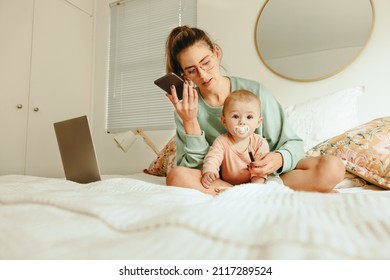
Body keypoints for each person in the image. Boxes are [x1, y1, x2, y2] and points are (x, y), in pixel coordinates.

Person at [164, 25, 345, 195]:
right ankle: (246, 195)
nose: (203, 74)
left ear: (216, 53)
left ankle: (251, 192)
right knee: (176, 176)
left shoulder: (256, 92)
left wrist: (278, 158)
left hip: (267, 178)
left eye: (206, 62)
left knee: (333, 167)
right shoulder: (185, 110)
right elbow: (193, 170)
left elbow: (294, 144)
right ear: (183, 75)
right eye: (192, 70)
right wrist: (190, 121)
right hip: (219, 181)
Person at [201, 89, 269, 190]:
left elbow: (261, 170)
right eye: (235, 116)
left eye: (249, 117)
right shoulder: (221, 141)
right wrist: (210, 171)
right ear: (224, 121)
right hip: (226, 184)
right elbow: (213, 158)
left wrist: (255, 187)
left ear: (258, 122)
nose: (242, 122)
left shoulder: (260, 142)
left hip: (254, 183)